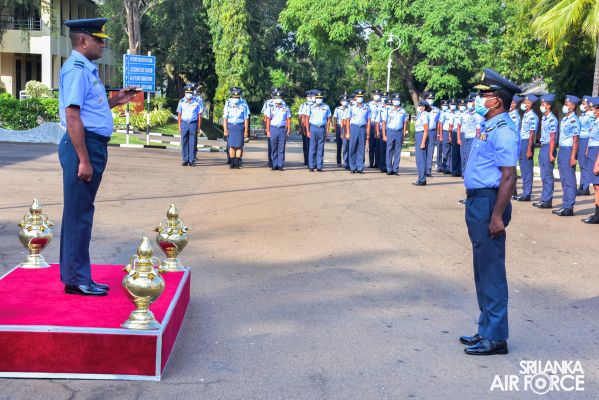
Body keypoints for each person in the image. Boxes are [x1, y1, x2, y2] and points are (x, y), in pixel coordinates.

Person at [59, 18, 136, 296]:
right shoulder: (77, 70)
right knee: (79, 213)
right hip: (83, 146)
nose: (103, 45)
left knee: (82, 211)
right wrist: (83, 159)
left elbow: (90, 108)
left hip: (90, 145)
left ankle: (77, 275)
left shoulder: (86, 69)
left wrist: (116, 100)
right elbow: (72, 116)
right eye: (98, 40)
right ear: (83, 41)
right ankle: (77, 278)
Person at [459, 68, 520, 356]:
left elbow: (509, 176)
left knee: (492, 272)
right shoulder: (490, 126)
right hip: (478, 202)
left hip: (488, 204)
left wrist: (496, 216)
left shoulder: (504, 130)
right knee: (482, 270)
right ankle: (485, 329)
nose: (479, 98)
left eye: (484, 94)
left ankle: (495, 337)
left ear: (496, 101)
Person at [553, 95, 581, 216]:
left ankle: (569, 207)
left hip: (569, 150)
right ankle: (565, 205)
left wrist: (573, 157)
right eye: (565, 103)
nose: (564, 106)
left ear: (573, 106)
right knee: (564, 178)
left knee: (569, 178)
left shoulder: (574, 120)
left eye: (567, 104)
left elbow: (576, 140)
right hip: (563, 149)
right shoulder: (565, 118)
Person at [533, 94, 558, 209]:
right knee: (543, 175)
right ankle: (544, 199)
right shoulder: (544, 118)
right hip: (543, 146)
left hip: (549, 147)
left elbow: (552, 138)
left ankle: (547, 200)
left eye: (543, 104)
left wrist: (551, 153)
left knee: (547, 175)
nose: (541, 106)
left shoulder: (552, 119)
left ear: (548, 106)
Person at [514, 94, 538, 201]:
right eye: (524, 102)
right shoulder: (526, 115)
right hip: (522, 141)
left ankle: (527, 193)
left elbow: (532, 134)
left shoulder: (532, 116)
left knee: (527, 169)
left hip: (527, 142)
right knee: (523, 168)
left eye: (526, 102)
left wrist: (529, 149)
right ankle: (525, 192)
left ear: (530, 104)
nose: (523, 104)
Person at [457, 96, 485, 176]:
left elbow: (479, 128)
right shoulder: (463, 114)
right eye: (469, 103)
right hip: (463, 136)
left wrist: (479, 138)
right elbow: (459, 127)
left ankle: (468, 173)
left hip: (473, 137)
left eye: (472, 103)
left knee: (470, 155)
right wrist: (458, 138)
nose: (470, 104)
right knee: (463, 155)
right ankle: (463, 172)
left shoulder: (478, 115)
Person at [223, 87, 250, 169]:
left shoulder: (244, 103)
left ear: (240, 96)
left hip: (240, 126)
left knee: (239, 146)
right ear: (232, 96)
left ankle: (237, 163)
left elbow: (246, 118)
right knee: (231, 146)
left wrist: (246, 131)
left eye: (237, 97)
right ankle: (232, 163)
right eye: (234, 97)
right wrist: (225, 130)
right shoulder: (228, 103)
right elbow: (225, 118)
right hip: (231, 126)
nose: (236, 98)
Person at [265, 90, 291, 171]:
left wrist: (288, 130)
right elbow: (268, 119)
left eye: (280, 97)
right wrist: (268, 131)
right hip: (273, 129)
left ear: (282, 98)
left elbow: (288, 119)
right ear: (274, 98)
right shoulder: (270, 108)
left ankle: (280, 165)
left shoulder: (286, 108)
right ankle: (274, 164)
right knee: (273, 148)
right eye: (277, 97)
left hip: (282, 129)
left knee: (281, 148)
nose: (278, 99)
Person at [582, 96, 599, 223]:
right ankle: (596, 213)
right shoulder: (595, 121)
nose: (591, 111)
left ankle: (598, 215)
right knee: (596, 185)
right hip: (593, 152)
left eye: (593, 109)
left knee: (598, 186)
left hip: (597, 154)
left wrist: (598, 163)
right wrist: (588, 149)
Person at [345, 89, 371, 174]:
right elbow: (348, 120)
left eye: (361, 96)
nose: (360, 98)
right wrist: (347, 132)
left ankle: (360, 167)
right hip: (354, 128)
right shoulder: (351, 107)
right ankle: (352, 167)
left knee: (361, 149)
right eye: (358, 96)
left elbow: (369, 120)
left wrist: (367, 133)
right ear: (355, 97)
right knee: (352, 148)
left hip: (362, 128)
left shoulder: (367, 107)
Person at [177, 84, 203, 167]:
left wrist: (199, 127)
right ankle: (185, 160)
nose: (189, 94)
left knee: (193, 142)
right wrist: (179, 126)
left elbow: (199, 115)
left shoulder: (197, 101)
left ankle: (191, 160)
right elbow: (179, 114)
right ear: (185, 93)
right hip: (184, 123)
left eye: (190, 92)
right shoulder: (181, 101)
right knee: (184, 142)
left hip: (193, 124)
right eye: (187, 92)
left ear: (192, 93)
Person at [382, 93, 407, 175]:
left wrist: (404, 134)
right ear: (392, 101)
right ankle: (389, 169)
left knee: (397, 151)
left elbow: (404, 123)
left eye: (398, 100)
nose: (397, 101)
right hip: (390, 131)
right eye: (395, 100)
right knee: (389, 150)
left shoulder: (403, 111)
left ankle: (395, 169)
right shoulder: (388, 110)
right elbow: (383, 123)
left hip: (399, 132)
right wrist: (384, 135)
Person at [307, 90, 332, 172]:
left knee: (320, 148)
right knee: (312, 148)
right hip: (313, 128)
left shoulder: (326, 107)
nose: (319, 99)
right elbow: (307, 119)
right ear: (315, 98)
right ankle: (311, 166)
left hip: (322, 128)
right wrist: (307, 131)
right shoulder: (311, 107)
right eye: (317, 98)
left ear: (322, 98)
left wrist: (327, 131)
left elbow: (329, 119)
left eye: (320, 98)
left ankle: (319, 166)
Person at [577, 95, 594, 196]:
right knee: (581, 163)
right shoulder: (583, 114)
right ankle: (582, 185)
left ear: (589, 105)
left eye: (584, 103)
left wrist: (588, 145)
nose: (582, 105)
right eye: (582, 103)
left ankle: (585, 187)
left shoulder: (591, 115)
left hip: (586, 139)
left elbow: (592, 130)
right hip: (581, 139)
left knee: (585, 165)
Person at [412, 100, 430, 186]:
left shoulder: (425, 115)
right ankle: (420, 178)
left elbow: (426, 130)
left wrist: (423, 142)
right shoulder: (420, 115)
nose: (418, 107)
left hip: (422, 135)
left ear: (424, 107)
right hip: (418, 135)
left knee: (421, 159)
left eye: (420, 106)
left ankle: (422, 179)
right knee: (418, 159)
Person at [424, 92, 441, 176]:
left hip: (432, 131)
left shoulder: (437, 110)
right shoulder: (422, 109)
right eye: (429, 98)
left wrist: (438, 133)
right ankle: (422, 169)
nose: (431, 100)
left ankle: (428, 170)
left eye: (432, 99)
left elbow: (438, 122)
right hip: (423, 131)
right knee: (423, 150)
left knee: (430, 151)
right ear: (425, 99)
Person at [367, 90, 383, 168]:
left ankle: (377, 163)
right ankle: (371, 163)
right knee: (371, 145)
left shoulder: (382, 104)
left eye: (378, 94)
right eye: (375, 94)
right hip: (371, 125)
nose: (376, 96)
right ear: (373, 96)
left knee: (378, 146)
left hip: (379, 126)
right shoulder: (369, 104)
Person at [333, 94, 350, 168]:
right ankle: (339, 162)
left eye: (346, 101)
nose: (344, 102)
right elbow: (335, 119)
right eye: (343, 101)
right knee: (339, 146)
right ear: (341, 102)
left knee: (346, 146)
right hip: (339, 127)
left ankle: (346, 161)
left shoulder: (349, 108)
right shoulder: (337, 109)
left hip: (346, 127)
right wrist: (335, 129)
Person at [298, 90, 314, 166]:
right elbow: (300, 116)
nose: (309, 97)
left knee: (312, 144)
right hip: (305, 126)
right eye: (308, 96)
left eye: (311, 96)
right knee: (306, 144)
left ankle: (311, 161)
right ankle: (307, 160)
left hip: (312, 126)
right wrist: (301, 126)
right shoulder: (303, 105)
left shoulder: (316, 105)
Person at [450, 99, 464, 176]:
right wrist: (449, 136)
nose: (462, 107)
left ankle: (462, 170)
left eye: (463, 105)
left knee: (463, 153)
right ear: (458, 106)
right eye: (461, 105)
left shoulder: (467, 114)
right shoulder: (454, 114)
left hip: (463, 133)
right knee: (455, 153)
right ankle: (455, 171)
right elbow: (450, 126)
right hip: (455, 133)